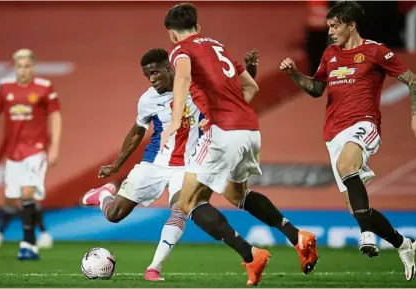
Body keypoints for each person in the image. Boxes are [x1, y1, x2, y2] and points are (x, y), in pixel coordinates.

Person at [161, 3, 318, 286]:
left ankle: (250, 255)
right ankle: (297, 236)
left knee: (187, 202)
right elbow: (251, 88)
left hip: (224, 132)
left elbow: (183, 76)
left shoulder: (180, 50)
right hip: (249, 129)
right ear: (198, 26)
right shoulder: (217, 46)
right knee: (237, 195)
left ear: (173, 34)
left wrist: (175, 122)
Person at [83, 47, 259, 281]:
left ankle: (154, 268)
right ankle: (104, 195)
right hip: (154, 163)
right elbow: (137, 132)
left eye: (155, 73)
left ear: (169, 68)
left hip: (188, 165)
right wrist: (116, 166)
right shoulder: (147, 100)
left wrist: (251, 70)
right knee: (114, 215)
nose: (152, 79)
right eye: (147, 75)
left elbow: (235, 93)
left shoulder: (196, 88)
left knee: (181, 207)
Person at [280, 1, 416, 281]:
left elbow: (411, 80)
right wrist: (294, 74)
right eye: (329, 26)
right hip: (333, 133)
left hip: (364, 124)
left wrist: (414, 114)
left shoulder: (376, 51)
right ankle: (404, 244)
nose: (330, 32)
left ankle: (366, 236)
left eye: (335, 26)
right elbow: (317, 89)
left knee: (346, 165)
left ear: (351, 25)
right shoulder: (330, 54)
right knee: (356, 207)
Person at [0, 48, 62, 260]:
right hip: (13, 153)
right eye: (19, 66)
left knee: (27, 193)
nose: (23, 71)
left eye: (27, 66)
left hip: (36, 149)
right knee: (18, 197)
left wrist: (54, 147)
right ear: (15, 67)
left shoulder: (44, 88)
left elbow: (56, 116)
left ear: (33, 67)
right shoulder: (5, 88)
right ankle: (32, 243)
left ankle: (26, 244)